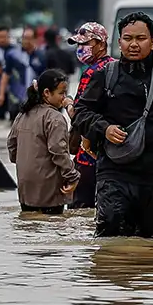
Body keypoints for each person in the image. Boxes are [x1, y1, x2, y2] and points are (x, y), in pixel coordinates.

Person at [71, 12, 153, 239]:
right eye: (127, 38)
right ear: (119, 42)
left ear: (152, 42)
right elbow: (80, 113)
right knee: (110, 241)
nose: (133, 44)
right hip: (115, 173)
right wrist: (104, 128)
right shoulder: (105, 76)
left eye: (140, 38)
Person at [8, 70, 79, 214]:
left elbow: (12, 147)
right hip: (49, 189)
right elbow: (59, 153)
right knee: (51, 231)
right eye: (61, 93)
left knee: (29, 229)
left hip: (25, 188)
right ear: (47, 93)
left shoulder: (22, 114)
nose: (64, 98)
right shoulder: (55, 118)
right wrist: (73, 176)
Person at [65, 22, 112, 210]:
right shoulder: (116, 68)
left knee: (80, 209)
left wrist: (67, 103)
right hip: (111, 154)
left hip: (88, 155)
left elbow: (78, 114)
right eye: (79, 44)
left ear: (101, 44)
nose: (81, 49)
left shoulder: (91, 73)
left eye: (86, 44)